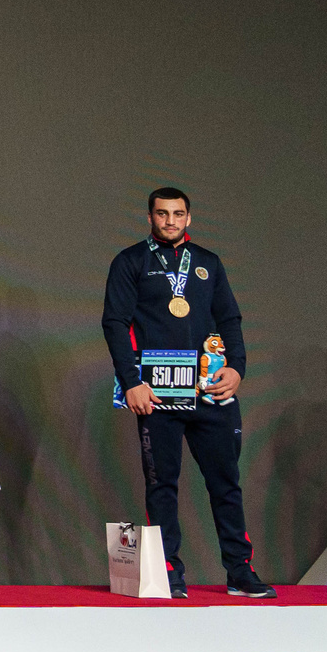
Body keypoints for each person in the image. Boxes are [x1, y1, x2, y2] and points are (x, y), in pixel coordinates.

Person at [100, 187, 275, 599]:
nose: (171, 221)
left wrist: (237, 369)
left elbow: (230, 319)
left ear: (190, 218)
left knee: (226, 483)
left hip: (208, 391)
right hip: (156, 394)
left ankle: (239, 571)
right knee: (162, 486)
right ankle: (168, 572)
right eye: (162, 214)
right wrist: (131, 383)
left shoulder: (208, 264)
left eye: (178, 214)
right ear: (150, 218)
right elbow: (115, 323)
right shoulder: (131, 262)